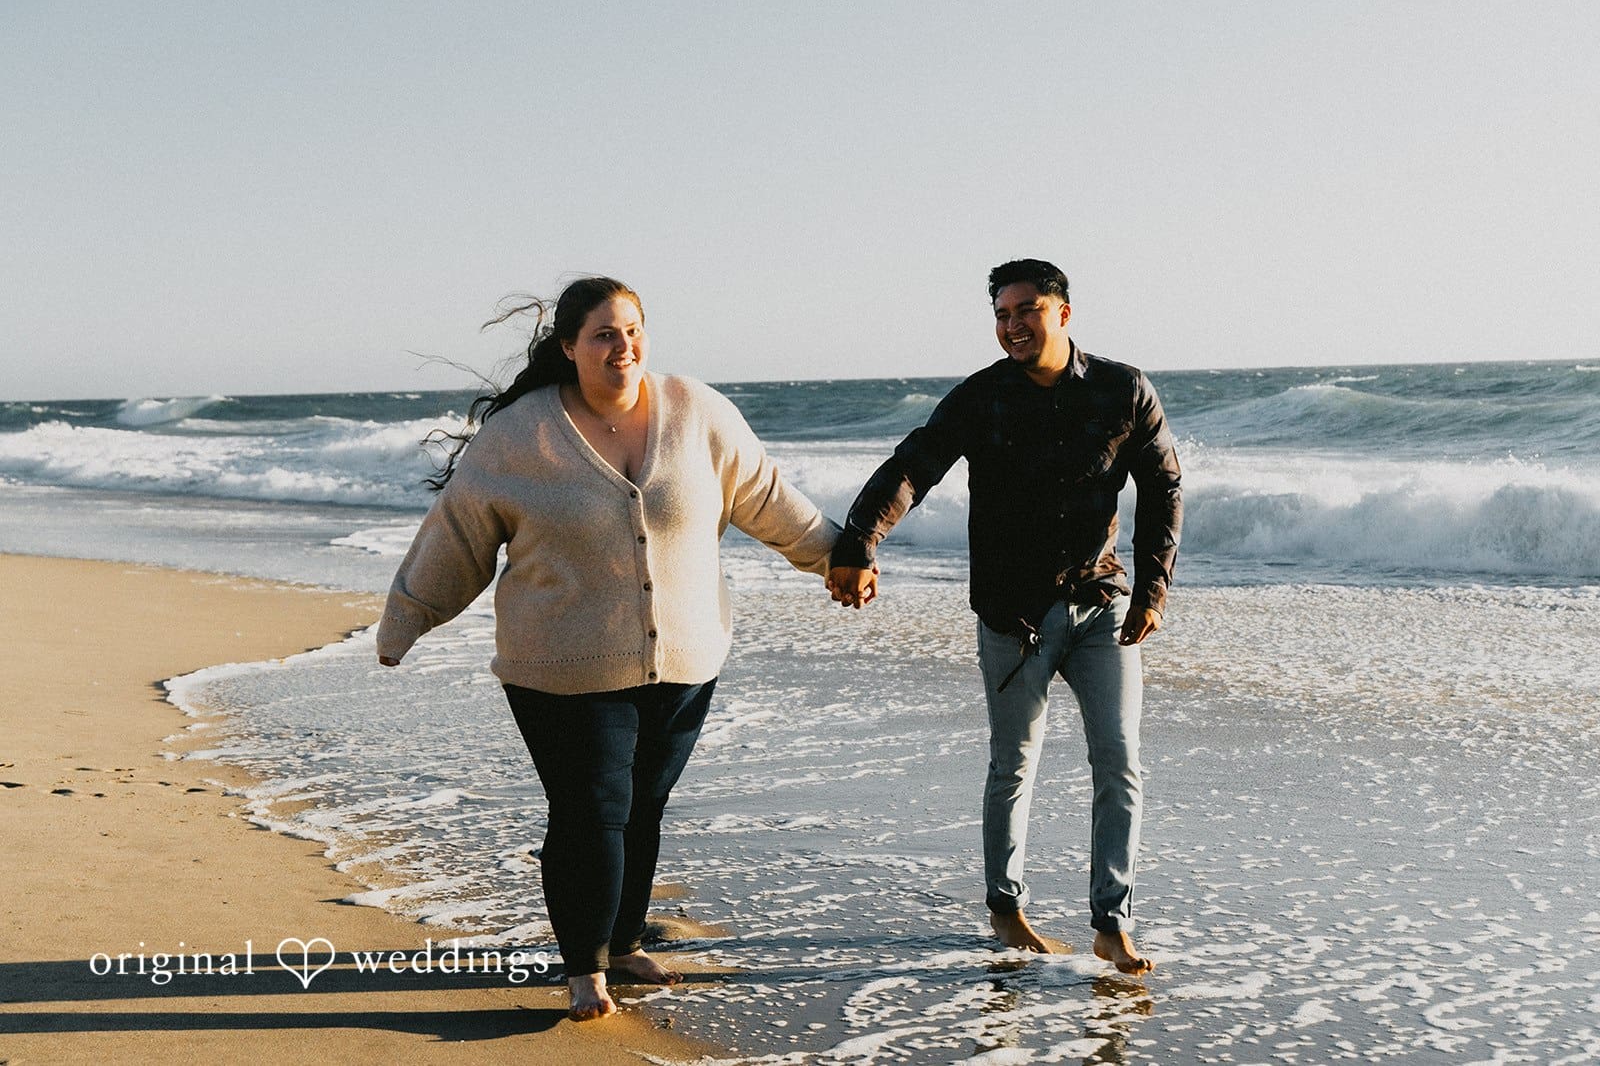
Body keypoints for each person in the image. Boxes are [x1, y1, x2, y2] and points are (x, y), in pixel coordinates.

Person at [375, 276, 842, 1020]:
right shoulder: (519, 435)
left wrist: (838, 560)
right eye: (602, 334)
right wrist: (406, 619)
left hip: (684, 659)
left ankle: (623, 942)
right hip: (559, 664)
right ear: (569, 347)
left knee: (644, 805)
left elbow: (765, 497)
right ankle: (584, 965)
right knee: (593, 805)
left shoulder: (696, 411)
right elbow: (458, 536)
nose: (622, 346)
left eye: (632, 331)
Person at [826, 259, 1181, 974]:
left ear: (1064, 314)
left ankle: (1112, 921)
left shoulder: (1123, 389)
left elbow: (1164, 484)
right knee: (1013, 764)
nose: (1012, 325)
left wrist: (1152, 592)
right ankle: (1006, 907)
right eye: (1002, 313)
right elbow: (914, 465)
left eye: (1027, 310)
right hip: (1012, 618)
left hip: (1098, 606)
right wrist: (859, 544)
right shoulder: (981, 397)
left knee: (1120, 762)